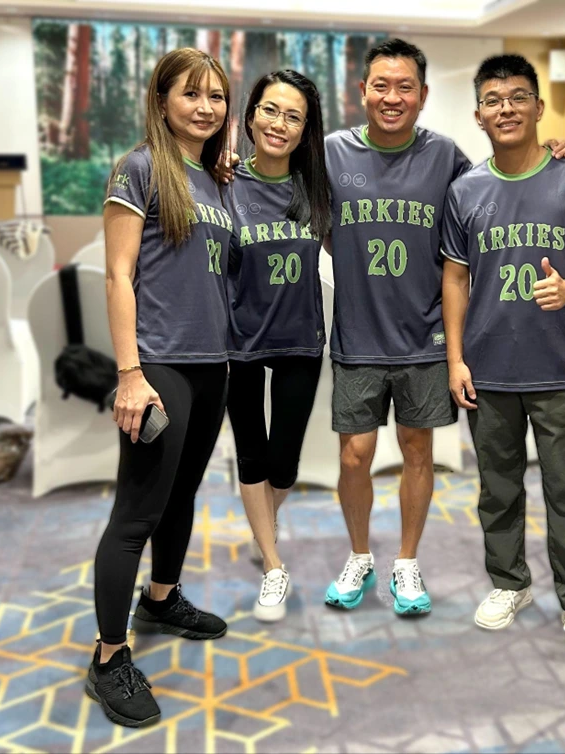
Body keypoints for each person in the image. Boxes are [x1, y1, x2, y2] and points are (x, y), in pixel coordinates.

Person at [322, 38, 565, 616]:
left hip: (425, 339)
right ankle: (360, 553)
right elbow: (295, 198)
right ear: (362, 90)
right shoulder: (332, 153)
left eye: (405, 86)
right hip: (358, 338)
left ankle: (407, 562)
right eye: (381, 85)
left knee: (418, 452)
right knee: (354, 457)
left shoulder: (447, 157)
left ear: (424, 95)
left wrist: (552, 148)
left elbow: (502, 182)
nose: (392, 97)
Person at [441, 54, 565, 662]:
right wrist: (456, 360)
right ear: (479, 115)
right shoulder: (465, 190)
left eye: (518, 96)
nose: (506, 108)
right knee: (498, 488)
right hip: (488, 370)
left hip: (560, 366)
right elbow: (455, 280)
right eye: (493, 99)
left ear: (539, 108)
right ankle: (509, 583)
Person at [89, 48, 233, 728]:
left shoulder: (213, 181)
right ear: (163, 98)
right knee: (136, 513)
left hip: (212, 366)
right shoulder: (139, 167)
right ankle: (108, 658)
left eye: (216, 96)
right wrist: (129, 374)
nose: (205, 107)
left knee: (182, 496)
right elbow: (117, 275)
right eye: (191, 94)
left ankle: (162, 598)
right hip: (161, 366)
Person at [225, 70, 331, 623]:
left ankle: (261, 524)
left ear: (305, 128)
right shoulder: (222, 182)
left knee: (284, 463)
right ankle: (273, 564)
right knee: (252, 454)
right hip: (237, 343)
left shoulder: (316, 187)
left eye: (293, 116)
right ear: (249, 117)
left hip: (300, 341)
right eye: (270, 111)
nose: (279, 124)